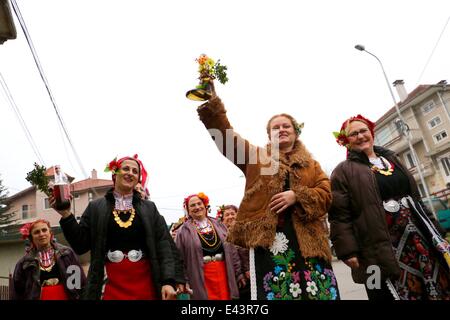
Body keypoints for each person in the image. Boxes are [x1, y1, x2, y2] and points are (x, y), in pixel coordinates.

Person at [195, 84, 339, 300]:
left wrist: (297, 196)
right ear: (269, 135)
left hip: (310, 244)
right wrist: (212, 101)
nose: (281, 130)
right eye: (276, 128)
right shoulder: (256, 158)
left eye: (286, 126)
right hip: (271, 243)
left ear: (295, 132)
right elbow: (226, 139)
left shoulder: (313, 165)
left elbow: (327, 195)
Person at [329, 114, 450, 300]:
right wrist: (347, 250)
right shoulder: (342, 172)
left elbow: (416, 198)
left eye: (363, 131)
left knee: (433, 283)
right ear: (345, 141)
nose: (360, 136)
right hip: (375, 244)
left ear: (371, 133)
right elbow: (339, 215)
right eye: (354, 134)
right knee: (380, 287)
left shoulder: (393, 159)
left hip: (417, 237)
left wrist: (436, 230)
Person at [50, 154, 182, 300]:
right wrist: (66, 214)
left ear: (138, 178)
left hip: (146, 282)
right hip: (111, 283)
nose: (130, 173)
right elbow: (80, 245)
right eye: (126, 168)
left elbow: (163, 245)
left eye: (135, 171)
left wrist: (168, 281)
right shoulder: (96, 207)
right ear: (115, 174)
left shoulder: (149, 208)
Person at [175, 192, 246, 300]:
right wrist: (184, 280)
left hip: (224, 271)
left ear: (205, 205)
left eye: (199, 203)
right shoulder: (183, 231)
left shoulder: (219, 224)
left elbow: (232, 251)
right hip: (199, 274)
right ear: (188, 210)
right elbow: (179, 258)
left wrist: (238, 273)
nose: (197, 207)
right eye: (192, 205)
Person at [11, 219, 86, 300]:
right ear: (31, 238)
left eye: (44, 230)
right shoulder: (24, 263)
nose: (41, 234)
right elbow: (18, 292)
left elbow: (79, 283)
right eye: (36, 232)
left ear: (50, 233)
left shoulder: (67, 254)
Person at [217, 204, 251, 300]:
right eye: (227, 215)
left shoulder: (245, 231)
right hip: (229, 274)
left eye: (233, 214)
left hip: (248, 273)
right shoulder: (220, 235)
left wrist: (247, 269)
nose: (230, 217)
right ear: (222, 219)